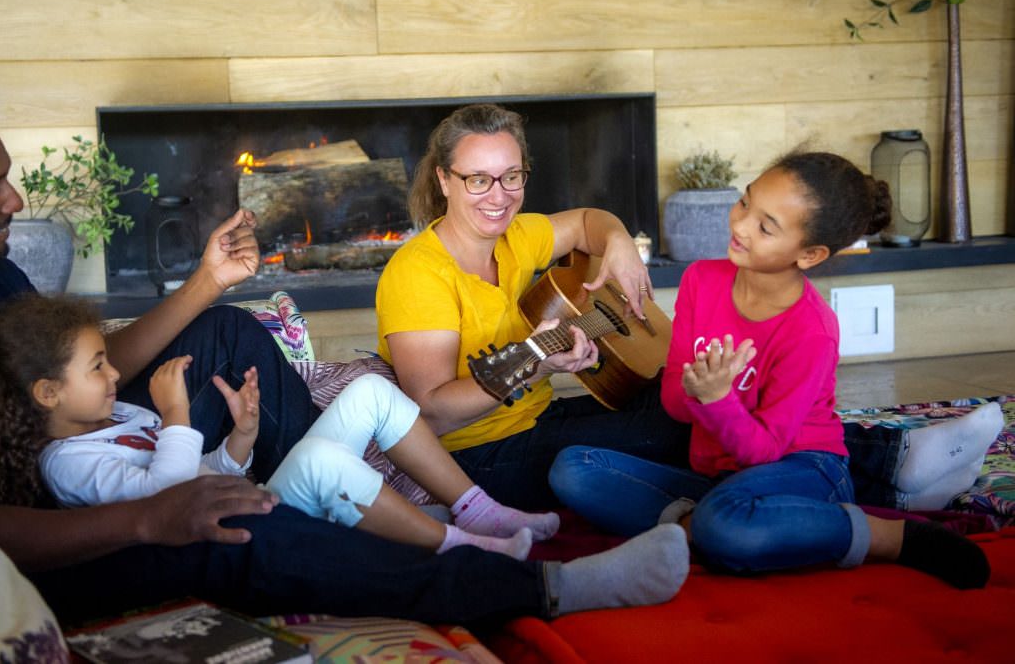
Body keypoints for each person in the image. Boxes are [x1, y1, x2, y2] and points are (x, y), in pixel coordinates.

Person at [0, 100, 690, 627]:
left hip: (104, 442)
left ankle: (324, 491)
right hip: (68, 523)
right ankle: (537, 589)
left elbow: (92, 365)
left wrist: (205, 282)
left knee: (226, 331)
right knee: (235, 524)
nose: (17, 201)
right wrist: (151, 518)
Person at [376, 103, 1000, 512]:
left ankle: (888, 458)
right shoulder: (418, 274)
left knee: (670, 389)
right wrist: (539, 363)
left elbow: (591, 222)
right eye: (479, 179)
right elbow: (432, 415)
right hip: (481, 457)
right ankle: (890, 469)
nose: (500, 195)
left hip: (540, 416)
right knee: (689, 417)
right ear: (444, 181)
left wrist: (618, 246)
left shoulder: (519, 233)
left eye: (512, 175)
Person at [549, 152, 997, 589]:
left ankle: (888, 537)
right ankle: (704, 529)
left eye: (766, 226)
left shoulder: (812, 329)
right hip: (717, 480)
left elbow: (761, 452)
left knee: (724, 520)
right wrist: (697, 389)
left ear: (809, 254)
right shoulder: (701, 280)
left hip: (804, 469)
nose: (741, 225)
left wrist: (718, 399)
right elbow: (673, 405)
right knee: (573, 468)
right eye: (746, 202)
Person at [0, 292, 560, 559]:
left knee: (371, 392)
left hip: (250, 491)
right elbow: (168, 501)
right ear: (47, 393)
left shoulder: (117, 414)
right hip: (245, 532)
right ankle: (465, 548)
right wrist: (177, 416)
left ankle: (478, 508)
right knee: (330, 463)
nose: (115, 372)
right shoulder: (68, 464)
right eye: (98, 366)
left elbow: (204, 472)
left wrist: (240, 438)